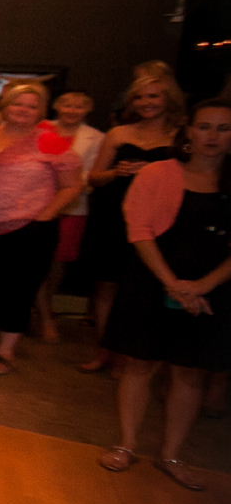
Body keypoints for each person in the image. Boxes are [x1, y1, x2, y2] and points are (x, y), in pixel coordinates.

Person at [97, 98, 231, 491]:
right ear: (188, 130)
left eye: (223, 129)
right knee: (140, 364)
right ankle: (126, 444)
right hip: (152, 280)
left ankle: (171, 454)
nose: (212, 136)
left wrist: (203, 286)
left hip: (210, 289)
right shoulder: (158, 173)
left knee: (190, 372)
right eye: (205, 127)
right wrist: (172, 283)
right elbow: (138, 230)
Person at [0, 82, 82, 374]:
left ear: (40, 112)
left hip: (29, 231)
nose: (23, 110)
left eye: (31, 106)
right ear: (5, 105)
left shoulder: (48, 140)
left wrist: (46, 215)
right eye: (18, 103)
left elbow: (72, 186)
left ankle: (5, 352)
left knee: (16, 292)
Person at [78, 70, 186, 372]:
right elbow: (94, 178)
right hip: (114, 216)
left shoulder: (182, 134)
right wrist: (117, 172)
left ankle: (138, 358)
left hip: (159, 220)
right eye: (139, 96)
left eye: (153, 96)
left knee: (145, 290)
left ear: (169, 99)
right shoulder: (119, 134)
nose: (145, 102)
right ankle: (104, 352)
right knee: (105, 288)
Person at [34, 90, 106, 342]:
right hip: (35, 203)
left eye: (79, 106)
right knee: (36, 260)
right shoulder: (39, 128)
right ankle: (45, 317)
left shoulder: (96, 138)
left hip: (72, 207)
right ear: (56, 106)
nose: (72, 110)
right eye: (67, 105)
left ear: (88, 110)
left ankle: (45, 306)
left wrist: (67, 182)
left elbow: (92, 173)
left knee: (56, 263)